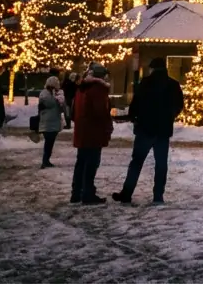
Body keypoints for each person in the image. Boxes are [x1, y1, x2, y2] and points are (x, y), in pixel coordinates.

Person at [113, 57, 184, 204]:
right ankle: (158, 196)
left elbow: (136, 103)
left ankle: (127, 193)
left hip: (145, 128)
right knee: (161, 164)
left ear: (152, 69)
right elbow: (179, 105)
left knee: (137, 162)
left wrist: (134, 117)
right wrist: (170, 116)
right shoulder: (173, 84)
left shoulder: (145, 83)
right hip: (163, 130)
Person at [71, 64, 113, 204]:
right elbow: (100, 112)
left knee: (81, 162)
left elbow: (73, 110)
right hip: (94, 132)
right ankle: (88, 194)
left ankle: (76, 193)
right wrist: (107, 126)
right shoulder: (98, 89)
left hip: (82, 131)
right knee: (91, 163)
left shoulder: (81, 88)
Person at [37, 76, 66, 168]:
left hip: (53, 121)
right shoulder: (45, 94)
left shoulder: (53, 94)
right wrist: (56, 97)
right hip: (48, 122)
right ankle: (45, 161)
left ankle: (46, 160)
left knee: (50, 143)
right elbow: (50, 103)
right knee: (48, 142)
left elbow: (61, 107)